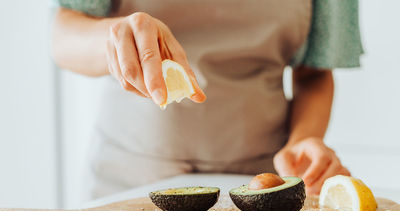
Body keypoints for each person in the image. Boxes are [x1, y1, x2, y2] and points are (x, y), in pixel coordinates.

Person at [51, 0, 363, 198]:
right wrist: (115, 37)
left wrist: (304, 138)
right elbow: (63, 36)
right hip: (128, 179)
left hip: (260, 183)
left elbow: (314, 72)